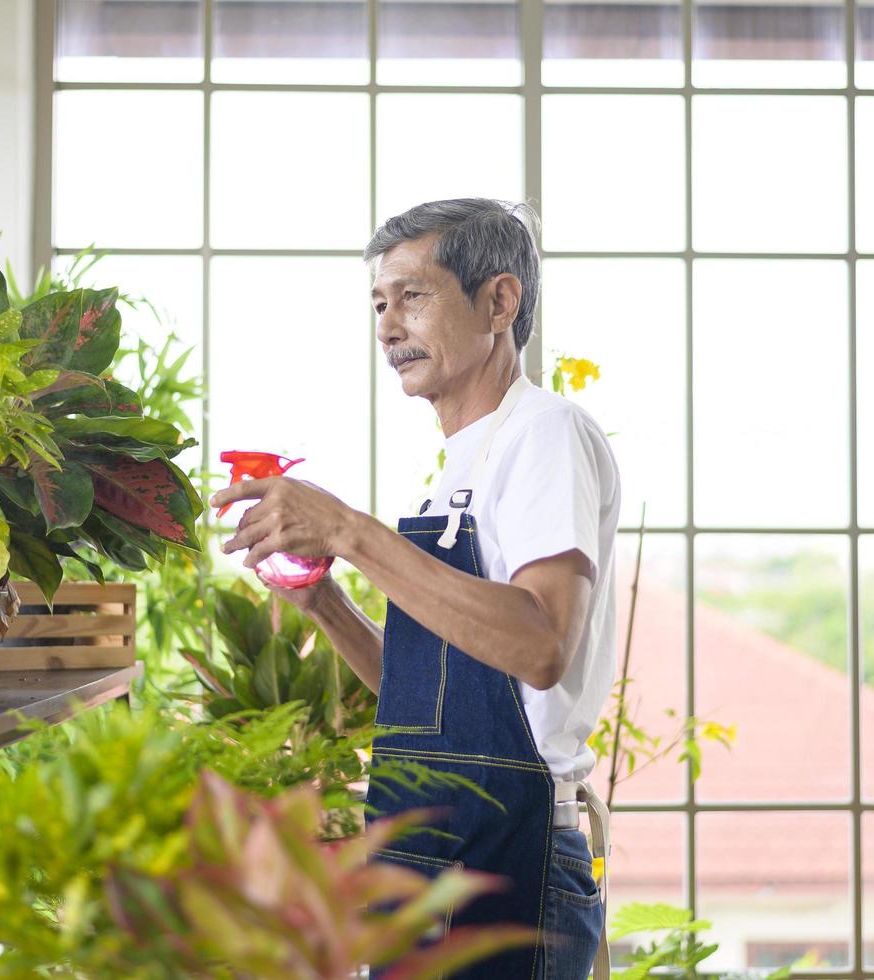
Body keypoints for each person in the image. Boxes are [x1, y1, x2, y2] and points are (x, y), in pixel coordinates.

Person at [209, 198, 620, 979]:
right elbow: (431, 699)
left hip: (509, 857)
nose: (386, 327)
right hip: (434, 850)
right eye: (377, 303)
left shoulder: (542, 433)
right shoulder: (459, 470)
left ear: (500, 301)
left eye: (412, 296)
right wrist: (322, 602)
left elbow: (539, 647)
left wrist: (349, 532)